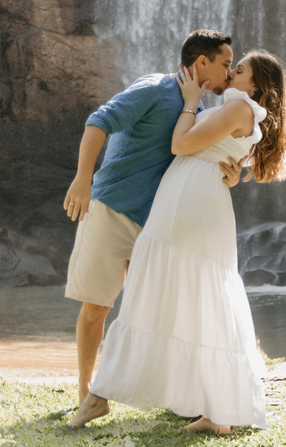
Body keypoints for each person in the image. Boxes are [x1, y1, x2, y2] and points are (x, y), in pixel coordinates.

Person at [69, 50, 286, 433]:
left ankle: (103, 395)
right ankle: (208, 408)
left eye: (238, 69)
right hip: (190, 202)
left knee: (161, 291)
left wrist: (191, 103)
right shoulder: (240, 111)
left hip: (188, 208)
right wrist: (231, 174)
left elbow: (181, 145)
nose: (230, 73)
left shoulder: (240, 109)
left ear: (255, 85)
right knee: (191, 297)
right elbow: (225, 156)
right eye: (229, 65)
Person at [63, 30, 242, 404]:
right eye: (226, 64)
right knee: (97, 306)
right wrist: (82, 180)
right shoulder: (154, 88)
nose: (230, 73)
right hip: (113, 208)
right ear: (201, 63)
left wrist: (236, 174)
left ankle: (176, 394)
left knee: (166, 312)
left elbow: (209, 156)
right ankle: (85, 392)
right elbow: (99, 121)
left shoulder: (206, 111)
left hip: (160, 223)